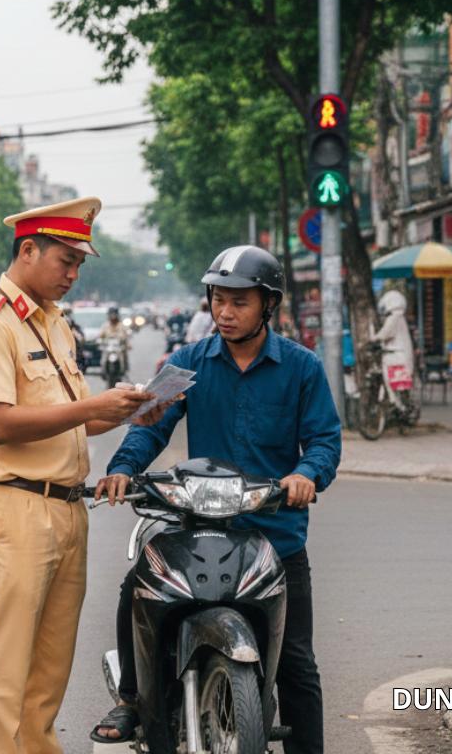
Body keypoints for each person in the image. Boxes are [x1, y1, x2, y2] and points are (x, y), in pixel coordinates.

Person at [91, 245, 341, 753]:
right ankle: (132, 697)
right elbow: (150, 425)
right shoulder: (187, 363)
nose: (225, 313)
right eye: (218, 300)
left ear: (268, 305)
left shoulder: (302, 368)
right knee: (135, 590)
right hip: (196, 527)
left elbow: (324, 441)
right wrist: (122, 469)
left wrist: (305, 474)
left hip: (275, 534)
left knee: (297, 665)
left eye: (239, 302)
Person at [0, 196, 172, 754]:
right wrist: (89, 407)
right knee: (5, 674)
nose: (73, 274)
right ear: (28, 250)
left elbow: (67, 425)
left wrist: (122, 413)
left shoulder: (53, 323)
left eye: (79, 264)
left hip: (68, 509)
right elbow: (0, 424)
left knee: (48, 675)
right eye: (65, 261)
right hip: (16, 511)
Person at [97, 306, 130, 377]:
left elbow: (126, 336)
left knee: (123, 354)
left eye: (114, 314)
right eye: (111, 314)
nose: (113, 317)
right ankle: (103, 371)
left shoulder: (122, 326)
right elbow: (100, 335)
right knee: (103, 357)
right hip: (108, 347)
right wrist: (99, 340)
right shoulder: (105, 325)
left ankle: (124, 369)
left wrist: (128, 344)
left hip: (118, 347)